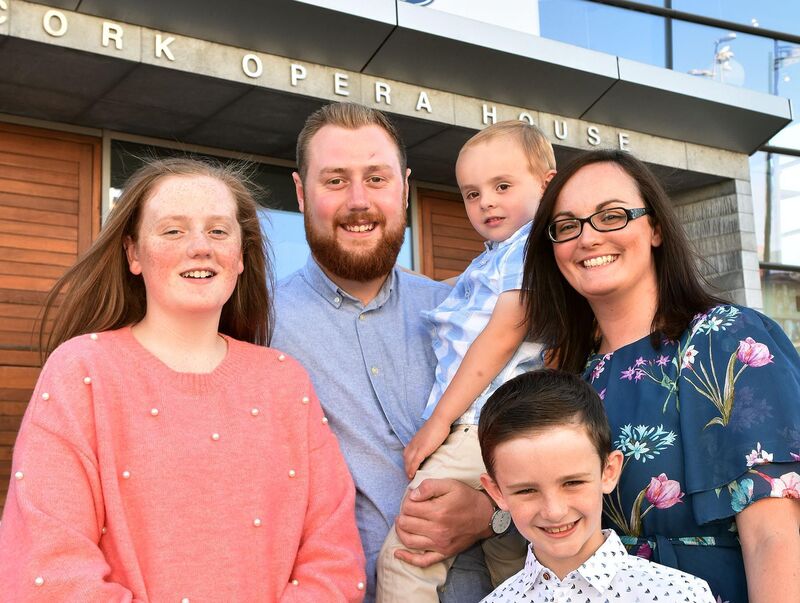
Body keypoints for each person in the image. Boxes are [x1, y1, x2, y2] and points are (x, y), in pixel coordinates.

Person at [0, 157, 366, 601]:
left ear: (241, 258)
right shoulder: (80, 372)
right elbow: (50, 566)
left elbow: (333, 556)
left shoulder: (285, 382)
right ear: (134, 253)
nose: (200, 247)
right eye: (173, 230)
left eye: (218, 231)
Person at [522, 149, 800, 603]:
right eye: (567, 225)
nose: (588, 238)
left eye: (611, 216)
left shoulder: (725, 339)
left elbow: (774, 537)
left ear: (655, 228)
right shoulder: (567, 376)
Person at [271, 102, 496, 602]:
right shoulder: (253, 328)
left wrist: (489, 515)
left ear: (405, 189)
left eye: (376, 178)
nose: (359, 201)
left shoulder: (465, 319)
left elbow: (537, 449)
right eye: (335, 181)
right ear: (300, 194)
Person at [377, 121, 556, 602]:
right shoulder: (496, 257)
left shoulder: (533, 247)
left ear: (547, 182)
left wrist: (439, 420)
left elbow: (503, 331)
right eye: (472, 194)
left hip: (479, 424)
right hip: (515, 429)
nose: (487, 203)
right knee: (516, 571)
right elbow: (461, 304)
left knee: (406, 557)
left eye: (502, 186)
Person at [478, 369, 716, 602]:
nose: (554, 511)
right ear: (496, 491)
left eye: (572, 482)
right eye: (526, 490)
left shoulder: (681, 595)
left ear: (609, 471)